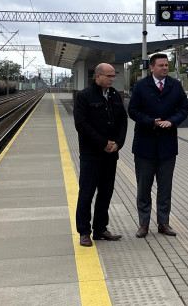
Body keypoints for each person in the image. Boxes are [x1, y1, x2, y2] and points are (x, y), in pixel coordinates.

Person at [129, 53, 188, 238]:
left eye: (166, 65)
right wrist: (151, 122)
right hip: (144, 146)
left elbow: (184, 109)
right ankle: (143, 223)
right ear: (152, 68)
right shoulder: (141, 86)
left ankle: (164, 222)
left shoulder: (175, 86)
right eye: (161, 65)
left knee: (165, 187)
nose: (165, 68)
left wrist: (171, 121)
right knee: (143, 187)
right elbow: (132, 110)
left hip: (167, 146)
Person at [73, 63, 127, 247]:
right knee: (86, 193)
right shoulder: (84, 96)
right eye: (109, 76)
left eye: (113, 76)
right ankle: (84, 232)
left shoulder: (115, 96)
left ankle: (100, 228)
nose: (112, 79)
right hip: (91, 154)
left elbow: (123, 121)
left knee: (106, 192)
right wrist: (103, 143)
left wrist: (118, 143)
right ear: (98, 76)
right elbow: (81, 124)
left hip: (111, 154)